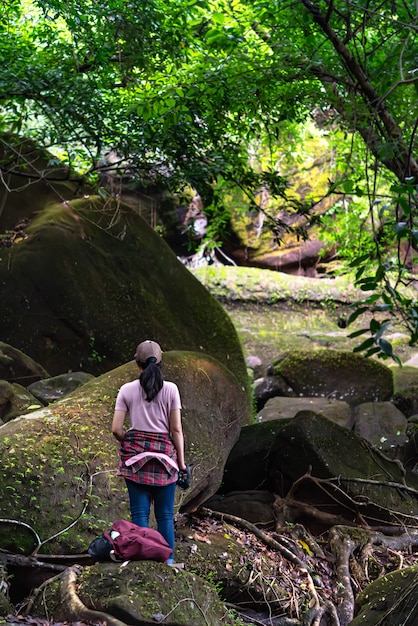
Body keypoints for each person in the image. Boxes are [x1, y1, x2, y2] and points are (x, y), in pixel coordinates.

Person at [112, 340, 187, 565]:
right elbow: (176, 430)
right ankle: (168, 560)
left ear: (137, 363)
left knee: (139, 515)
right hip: (165, 459)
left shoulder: (126, 390)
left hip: (135, 460)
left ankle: (143, 561)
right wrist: (181, 463)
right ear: (161, 362)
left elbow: (116, 429)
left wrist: (132, 441)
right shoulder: (171, 389)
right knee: (165, 515)